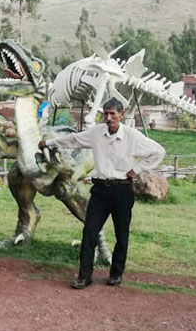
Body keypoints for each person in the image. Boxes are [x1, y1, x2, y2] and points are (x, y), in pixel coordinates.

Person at [39, 98, 165, 289]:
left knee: (121, 234)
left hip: (122, 190)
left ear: (121, 115)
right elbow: (74, 140)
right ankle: (84, 276)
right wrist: (49, 142)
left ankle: (116, 274)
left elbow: (158, 151)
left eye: (113, 114)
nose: (108, 118)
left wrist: (138, 170)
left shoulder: (132, 136)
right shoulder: (97, 132)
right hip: (100, 191)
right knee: (89, 231)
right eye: (106, 114)